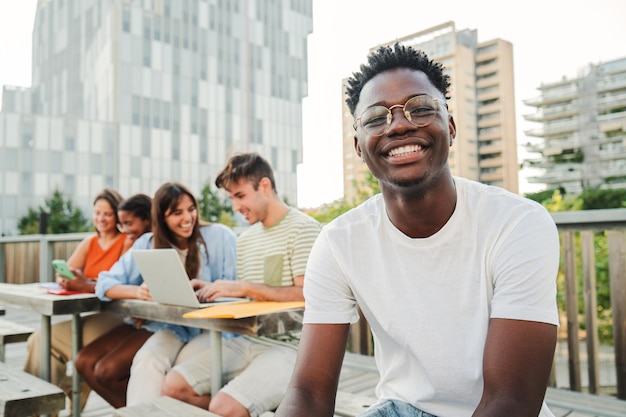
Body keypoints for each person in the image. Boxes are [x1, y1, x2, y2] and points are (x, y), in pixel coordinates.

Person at [275, 43, 560, 417]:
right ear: (359, 146)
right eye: (376, 118)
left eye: (421, 108)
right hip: (399, 409)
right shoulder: (339, 242)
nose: (399, 124)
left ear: (451, 127)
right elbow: (309, 393)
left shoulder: (517, 223)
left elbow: (511, 400)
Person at [159, 153, 321, 417]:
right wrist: (213, 289)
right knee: (173, 385)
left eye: (240, 195)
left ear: (265, 187)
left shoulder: (304, 229)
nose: (234, 206)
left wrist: (245, 287)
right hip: (248, 341)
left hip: (291, 349)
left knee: (223, 407)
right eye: (231, 197)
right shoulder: (245, 239)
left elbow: (308, 296)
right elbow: (250, 298)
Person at [94, 182, 237, 407]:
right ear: (161, 217)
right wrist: (138, 291)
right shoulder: (148, 243)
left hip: (214, 329)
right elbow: (105, 283)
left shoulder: (219, 236)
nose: (187, 218)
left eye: (191, 209)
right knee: (147, 359)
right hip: (174, 328)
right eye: (177, 213)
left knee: (179, 369)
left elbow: (237, 287)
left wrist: (210, 289)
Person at [23, 188, 130, 408]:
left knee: (48, 341)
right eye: (97, 213)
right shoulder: (89, 242)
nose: (101, 219)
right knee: (38, 340)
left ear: (118, 216)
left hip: (115, 316)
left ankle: (54, 398)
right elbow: (68, 271)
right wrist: (66, 279)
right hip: (89, 312)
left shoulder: (125, 242)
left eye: (107, 214)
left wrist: (86, 283)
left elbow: (123, 283)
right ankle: (42, 404)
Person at [74, 194, 154, 408]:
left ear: (147, 219)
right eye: (122, 224)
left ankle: (142, 411)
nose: (124, 229)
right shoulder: (136, 245)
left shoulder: (154, 243)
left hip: (153, 323)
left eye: (128, 223)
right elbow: (106, 282)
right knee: (83, 361)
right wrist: (136, 293)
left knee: (106, 370)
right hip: (133, 319)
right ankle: (134, 411)